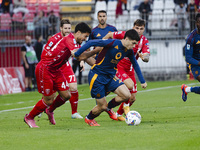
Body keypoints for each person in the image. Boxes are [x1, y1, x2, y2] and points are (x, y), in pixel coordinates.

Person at [72, 29, 147, 126]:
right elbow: (90, 42)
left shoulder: (128, 51)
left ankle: (108, 108)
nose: (133, 46)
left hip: (110, 76)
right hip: (97, 75)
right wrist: (77, 54)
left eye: (135, 44)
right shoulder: (112, 43)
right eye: (133, 43)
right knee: (101, 106)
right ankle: (89, 118)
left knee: (126, 95)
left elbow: (135, 64)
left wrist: (142, 81)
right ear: (127, 39)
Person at [24, 22, 91, 128]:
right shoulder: (70, 39)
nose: (85, 39)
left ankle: (49, 110)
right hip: (45, 68)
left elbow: (87, 58)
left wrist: (98, 64)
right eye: (85, 36)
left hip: (56, 69)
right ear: (78, 32)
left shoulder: (75, 42)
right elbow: (78, 56)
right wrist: (96, 49)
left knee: (66, 95)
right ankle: (29, 117)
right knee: (48, 99)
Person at [103, 19, 150, 121]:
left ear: (144, 29)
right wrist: (102, 47)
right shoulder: (125, 35)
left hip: (130, 69)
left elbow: (147, 57)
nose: (139, 30)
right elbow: (110, 35)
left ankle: (119, 114)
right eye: (137, 28)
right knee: (129, 86)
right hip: (118, 66)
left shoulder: (144, 41)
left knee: (132, 97)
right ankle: (125, 108)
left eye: (141, 29)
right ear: (133, 27)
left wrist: (143, 57)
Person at [181, 13, 200, 102]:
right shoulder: (191, 38)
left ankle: (186, 89)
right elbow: (188, 58)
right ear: (196, 23)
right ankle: (186, 89)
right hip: (195, 65)